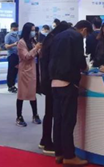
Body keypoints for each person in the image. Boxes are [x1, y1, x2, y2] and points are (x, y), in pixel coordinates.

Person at [49, 20, 92, 165]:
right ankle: (69, 155)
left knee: (58, 120)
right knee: (68, 121)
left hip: (54, 81)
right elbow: (79, 59)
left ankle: (59, 153)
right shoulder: (76, 36)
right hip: (68, 82)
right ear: (84, 30)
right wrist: (85, 67)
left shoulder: (58, 36)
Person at [39, 21, 70, 155]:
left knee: (48, 112)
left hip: (47, 79)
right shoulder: (55, 41)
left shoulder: (49, 39)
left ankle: (44, 139)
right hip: (52, 80)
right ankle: (47, 142)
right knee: (52, 112)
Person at [16, 22, 42, 127]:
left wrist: (39, 49)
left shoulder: (32, 41)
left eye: (34, 30)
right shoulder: (21, 42)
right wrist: (36, 48)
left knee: (32, 94)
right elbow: (26, 56)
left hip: (33, 71)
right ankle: (19, 116)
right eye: (32, 30)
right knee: (21, 94)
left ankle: (35, 114)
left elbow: (37, 54)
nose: (34, 32)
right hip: (25, 71)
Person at [4, 22, 20, 93]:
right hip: (11, 55)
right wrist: (14, 44)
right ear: (11, 28)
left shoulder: (17, 35)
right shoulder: (8, 36)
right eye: (14, 29)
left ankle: (13, 85)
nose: (15, 30)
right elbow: (6, 46)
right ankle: (10, 86)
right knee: (11, 71)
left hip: (17, 55)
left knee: (15, 71)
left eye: (16, 29)